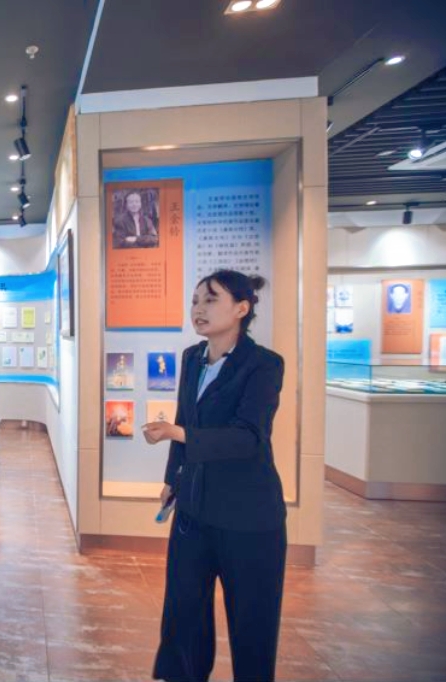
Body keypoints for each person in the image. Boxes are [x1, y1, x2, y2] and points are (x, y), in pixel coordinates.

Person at [144, 270, 286, 682]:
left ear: (241, 309)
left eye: (210, 299)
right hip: (193, 508)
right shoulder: (192, 357)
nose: (198, 309)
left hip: (249, 517)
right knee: (183, 615)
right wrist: (172, 478)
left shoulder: (263, 365)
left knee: (252, 626)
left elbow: (249, 437)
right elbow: (184, 417)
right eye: (195, 301)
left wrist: (178, 434)